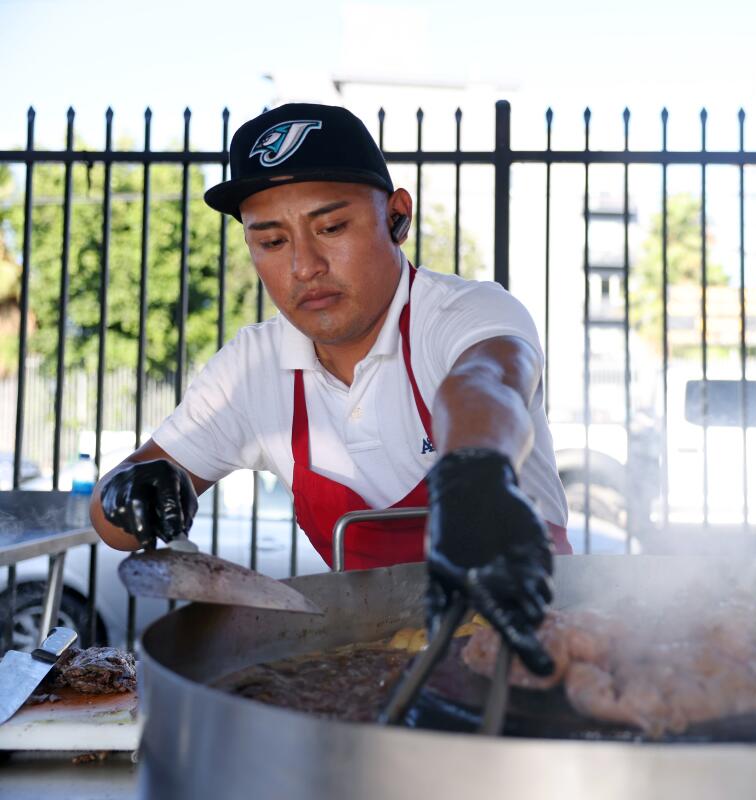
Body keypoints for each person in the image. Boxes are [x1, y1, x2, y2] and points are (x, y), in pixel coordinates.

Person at [88, 103, 568, 675]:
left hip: (533, 652)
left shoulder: (463, 312)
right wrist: (126, 495)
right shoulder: (253, 368)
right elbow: (110, 522)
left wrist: (477, 470)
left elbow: (490, 380)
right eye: (271, 242)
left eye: (332, 228)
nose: (305, 266)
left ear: (397, 216)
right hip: (372, 672)